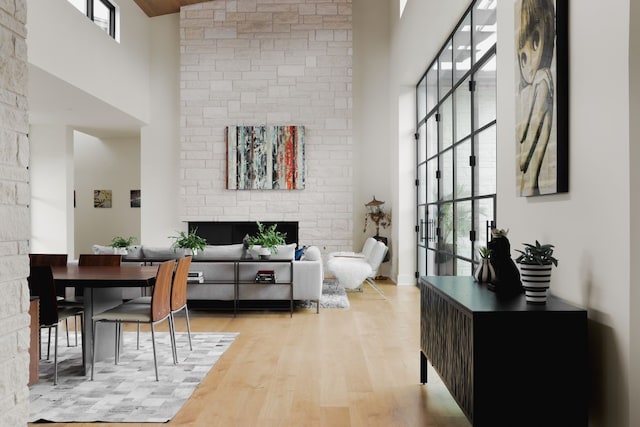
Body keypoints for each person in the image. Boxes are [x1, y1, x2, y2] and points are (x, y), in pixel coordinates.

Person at [516, 0, 555, 196]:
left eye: (535, 42)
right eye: (522, 57)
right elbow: (523, 134)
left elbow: (523, 160)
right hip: (527, 194)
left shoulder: (542, 87)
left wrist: (531, 91)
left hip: (531, 190)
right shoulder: (533, 89)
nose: (528, 63)